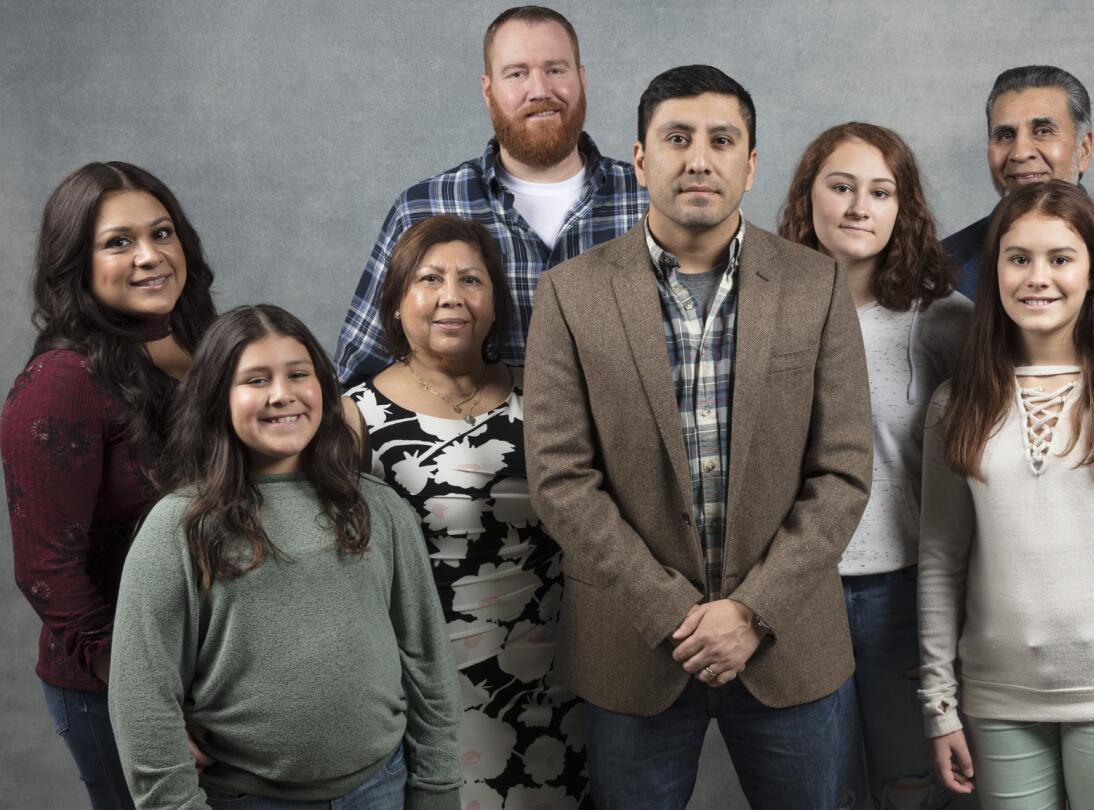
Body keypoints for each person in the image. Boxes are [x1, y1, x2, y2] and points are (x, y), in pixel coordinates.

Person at [524, 65, 872, 810]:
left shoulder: (817, 285)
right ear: (642, 159)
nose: (698, 159)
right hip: (636, 646)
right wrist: (671, 613)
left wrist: (751, 610)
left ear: (750, 164)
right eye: (676, 139)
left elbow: (843, 473)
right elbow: (560, 478)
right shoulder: (571, 294)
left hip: (787, 642)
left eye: (722, 140)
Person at [919, 180, 1094, 809]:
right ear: (993, 271)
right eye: (1018, 258)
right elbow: (942, 561)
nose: (1037, 277)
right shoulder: (956, 403)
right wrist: (939, 704)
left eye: (1060, 258)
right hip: (996, 699)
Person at [106, 305, 462, 809]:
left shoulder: (379, 509)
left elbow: (427, 660)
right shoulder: (179, 525)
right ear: (216, 398)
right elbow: (141, 695)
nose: (283, 394)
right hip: (245, 797)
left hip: (382, 787)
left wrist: (437, 787)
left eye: (299, 374)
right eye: (255, 379)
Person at [345, 215, 588, 808]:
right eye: (429, 279)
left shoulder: (547, 394)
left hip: (561, 675)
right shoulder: (353, 419)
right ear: (397, 303)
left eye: (471, 280)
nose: (452, 295)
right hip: (430, 685)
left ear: (495, 303)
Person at [1, 162, 217, 810]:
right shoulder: (60, 383)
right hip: (117, 684)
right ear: (76, 262)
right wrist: (147, 703)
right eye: (118, 242)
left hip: (217, 672)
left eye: (162, 233)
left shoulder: (208, 345)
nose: (150, 256)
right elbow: (47, 570)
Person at [777, 121, 969, 810]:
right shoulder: (762, 315)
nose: (860, 206)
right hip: (797, 593)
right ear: (809, 198)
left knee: (911, 783)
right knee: (819, 789)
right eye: (842, 186)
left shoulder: (948, 322)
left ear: (903, 208)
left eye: (880, 191)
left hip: (907, 594)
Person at [335, 4, 647, 385]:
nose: (540, 90)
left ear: (580, 78)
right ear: (488, 89)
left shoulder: (650, 199)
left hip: (623, 445)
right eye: (517, 73)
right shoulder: (424, 208)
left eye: (555, 70)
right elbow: (357, 375)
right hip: (477, 442)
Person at [940, 65, 1094, 366]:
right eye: (1005, 135)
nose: (1020, 152)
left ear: (1083, 149)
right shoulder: (942, 264)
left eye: (1043, 131)